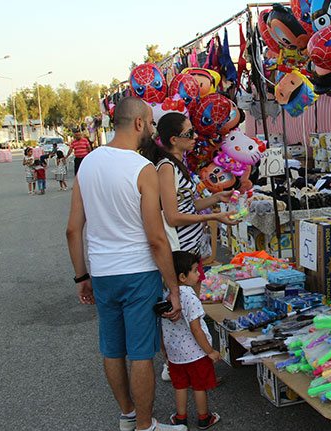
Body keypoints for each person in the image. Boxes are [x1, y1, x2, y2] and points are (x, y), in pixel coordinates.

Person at [66, 97, 186, 431]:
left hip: (103, 272)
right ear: (137, 124)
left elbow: (73, 229)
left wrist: (81, 276)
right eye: (150, 123)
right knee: (141, 354)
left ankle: (128, 414)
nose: (152, 129)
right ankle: (145, 426)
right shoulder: (142, 169)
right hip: (138, 273)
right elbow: (156, 238)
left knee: (112, 348)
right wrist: (173, 288)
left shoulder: (88, 163)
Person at [140, 112, 238, 265]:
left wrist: (217, 198)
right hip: (181, 253)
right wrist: (212, 217)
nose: (196, 137)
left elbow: (187, 206)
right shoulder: (167, 168)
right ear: (174, 140)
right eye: (189, 133)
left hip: (192, 249)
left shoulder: (178, 164)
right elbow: (172, 217)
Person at [161, 251, 221, 430]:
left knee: (180, 385)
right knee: (199, 386)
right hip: (196, 353)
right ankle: (204, 417)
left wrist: (164, 349)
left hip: (175, 353)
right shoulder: (189, 297)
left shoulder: (166, 296)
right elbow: (196, 329)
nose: (198, 274)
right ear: (183, 276)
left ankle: (180, 418)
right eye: (195, 271)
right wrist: (210, 351)